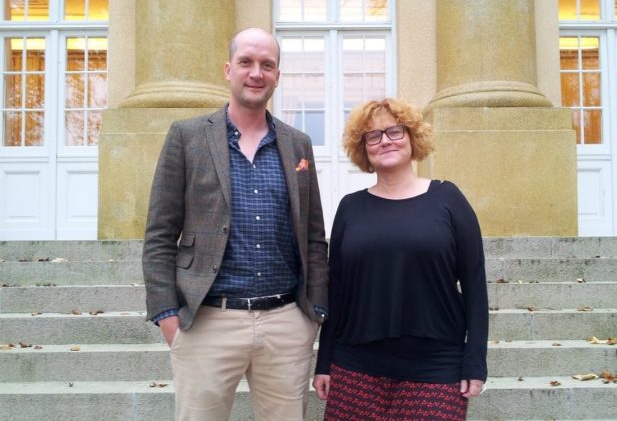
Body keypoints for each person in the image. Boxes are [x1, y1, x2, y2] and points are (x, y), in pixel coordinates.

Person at [142, 27, 328, 421]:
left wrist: (312, 315)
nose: (256, 73)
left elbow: (314, 236)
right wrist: (167, 317)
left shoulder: (298, 144)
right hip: (207, 321)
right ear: (229, 70)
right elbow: (159, 235)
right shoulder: (187, 137)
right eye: (246, 62)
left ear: (278, 75)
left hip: (285, 325)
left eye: (267, 65)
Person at [312, 98, 488, 420]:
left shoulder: (448, 199)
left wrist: (475, 361)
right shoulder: (350, 208)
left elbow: (475, 284)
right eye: (373, 136)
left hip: (435, 366)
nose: (385, 141)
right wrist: (324, 361)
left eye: (395, 131)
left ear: (412, 136)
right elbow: (336, 290)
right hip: (356, 365)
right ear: (363, 148)